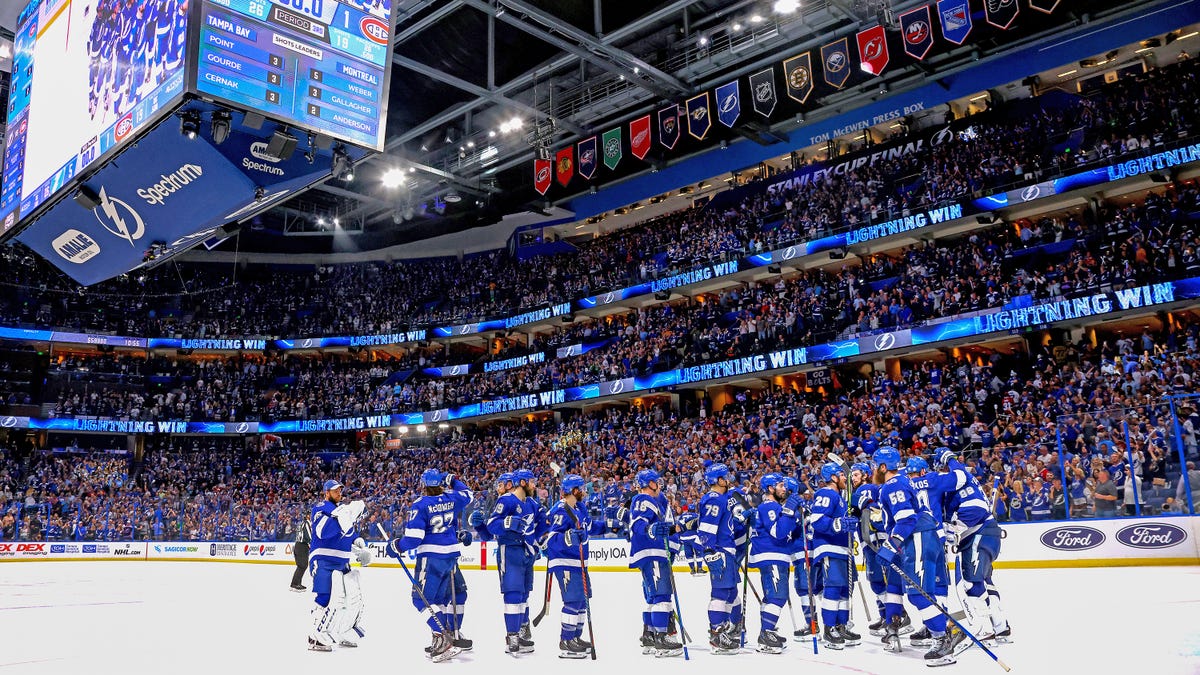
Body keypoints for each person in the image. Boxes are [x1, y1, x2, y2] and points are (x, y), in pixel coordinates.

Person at [872, 447, 963, 667]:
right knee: (926, 592)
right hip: (929, 535)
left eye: (875, 465)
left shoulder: (893, 485)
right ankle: (946, 631)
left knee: (918, 593)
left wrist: (891, 545)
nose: (873, 469)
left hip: (918, 537)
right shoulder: (904, 481)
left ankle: (943, 640)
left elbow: (905, 519)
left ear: (884, 467)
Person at [386, 469, 474, 661]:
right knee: (440, 600)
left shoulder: (421, 504)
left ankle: (443, 638)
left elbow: (414, 539)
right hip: (450, 556)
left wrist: (396, 546)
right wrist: (454, 480)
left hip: (431, 557)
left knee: (420, 599)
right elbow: (468, 494)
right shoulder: (452, 498)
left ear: (423, 484)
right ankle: (441, 637)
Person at [934, 448, 1012, 646]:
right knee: (986, 582)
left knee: (970, 583)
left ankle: (985, 630)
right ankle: (1000, 625)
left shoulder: (959, 483)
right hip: (986, 535)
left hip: (977, 536)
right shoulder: (961, 484)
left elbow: (974, 509)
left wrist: (954, 527)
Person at [850, 461, 913, 638]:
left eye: (856, 474)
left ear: (864, 475)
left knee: (880, 581)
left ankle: (899, 616)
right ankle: (886, 615)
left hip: (876, 541)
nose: (853, 478)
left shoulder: (868, 488)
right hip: (868, 541)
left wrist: (865, 504)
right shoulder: (858, 491)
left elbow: (875, 512)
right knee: (876, 581)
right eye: (852, 475)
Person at [307, 479, 371, 652]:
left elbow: (345, 534)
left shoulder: (342, 511)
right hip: (324, 560)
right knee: (326, 598)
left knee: (351, 598)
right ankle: (315, 637)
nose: (339, 493)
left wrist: (357, 544)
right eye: (335, 491)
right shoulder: (321, 507)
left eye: (340, 490)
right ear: (326, 493)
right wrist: (343, 514)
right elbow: (323, 532)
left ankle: (343, 631)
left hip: (342, 561)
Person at [628, 468, 685, 657]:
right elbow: (638, 524)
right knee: (662, 595)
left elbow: (662, 528)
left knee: (653, 597)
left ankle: (649, 635)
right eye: (655, 481)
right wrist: (651, 530)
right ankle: (662, 638)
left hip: (654, 552)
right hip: (653, 552)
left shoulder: (656, 502)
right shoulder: (643, 499)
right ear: (648, 484)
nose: (659, 485)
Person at [486, 468, 539, 655]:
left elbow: (542, 524)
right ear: (522, 482)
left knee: (524, 594)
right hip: (509, 550)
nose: (535, 485)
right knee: (514, 594)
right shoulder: (506, 500)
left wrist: (539, 541)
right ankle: (512, 635)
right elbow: (492, 525)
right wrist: (507, 523)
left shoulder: (532, 503)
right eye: (532, 481)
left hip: (526, 552)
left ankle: (522, 632)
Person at [542, 474, 595, 659]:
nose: (585, 492)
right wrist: (567, 538)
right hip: (565, 561)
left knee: (581, 600)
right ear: (574, 490)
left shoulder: (579, 508)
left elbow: (590, 527)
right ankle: (566, 641)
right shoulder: (561, 508)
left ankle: (575, 637)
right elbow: (550, 539)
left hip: (578, 562)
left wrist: (611, 524)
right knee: (573, 601)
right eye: (582, 488)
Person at [808, 462, 860, 649]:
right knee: (834, 586)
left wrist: (849, 523)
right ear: (833, 477)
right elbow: (817, 520)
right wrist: (839, 524)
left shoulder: (839, 496)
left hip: (843, 549)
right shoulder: (825, 493)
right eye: (842, 475)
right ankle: (829, 628)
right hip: (830, 547)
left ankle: (841, 625)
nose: (845, 477)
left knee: (845, 588)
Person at [748, 472, 797, 654]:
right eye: (781, 486)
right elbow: (778, 531)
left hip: (776, 555)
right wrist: (790, 512)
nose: (784, 489)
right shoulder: (769, 506)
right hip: (772, 555)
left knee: (772, 597)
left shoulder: (775, 506)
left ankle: (766, 631)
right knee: (778, 596)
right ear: (770, 488)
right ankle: (766, 635)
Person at [905, 455, 952, 648]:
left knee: (924, 586)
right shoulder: (933, 478)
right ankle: (940, 623)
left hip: (920, 536)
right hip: (938, 535)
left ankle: (934, 627)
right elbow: (958, 479)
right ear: (924, 470)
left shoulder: (903, 483)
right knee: (939, 583)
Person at [696, 462, 742, 655]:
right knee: (721, 594)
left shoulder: (722, 499)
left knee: (731, 592)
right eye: (726, 477)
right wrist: (709, 552)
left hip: (727, 551)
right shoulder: (715, 499)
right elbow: (706, 528)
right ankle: (717, 634)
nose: (729, 479)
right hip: (720, 552)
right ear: (719, 480)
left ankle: (731, 629)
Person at [291, 514, 311, 592]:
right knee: (302, 566)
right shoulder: (307, 523)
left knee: (301, 566)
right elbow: (309, 536)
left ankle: (295, 583)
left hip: (298, 545)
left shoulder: (301, 523)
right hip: (302, 546)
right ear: (308, 516)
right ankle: (295, 584)